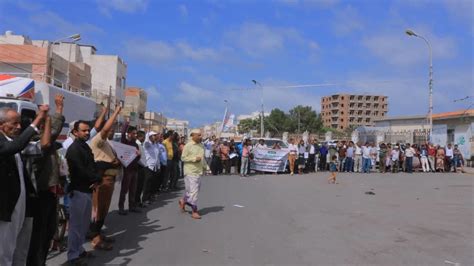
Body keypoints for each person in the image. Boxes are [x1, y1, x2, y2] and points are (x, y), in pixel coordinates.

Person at [0, 105, 49, 266]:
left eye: (20, 123)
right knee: (4, 252)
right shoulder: (6, 143)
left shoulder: (13, 141)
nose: (19, 127)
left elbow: (43, 145)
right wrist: (37, 121)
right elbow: (14, 147)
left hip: (21, 204)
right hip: (6, 206)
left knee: (18, 249)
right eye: (14, 123)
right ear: (1, 124)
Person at [27, 95, 66, 266]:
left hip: (50, 192)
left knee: (49, 231)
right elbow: (47, 141)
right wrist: (50, 116)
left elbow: (53, 131)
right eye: (44, 124)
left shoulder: (46, 139)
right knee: (39, 235)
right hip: (39, 195)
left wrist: (57, 110)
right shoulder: (33, 142)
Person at [66, 120, 102, 265]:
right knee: (76, 225)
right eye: (83, 130)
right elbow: (81, 170)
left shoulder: (85, 147)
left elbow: (92, 165)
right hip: (78, 190)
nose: (87, 133)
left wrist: (97, 178)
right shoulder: (74, 149)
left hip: (87, 190)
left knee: (84, 223)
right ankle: (73, 256)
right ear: (75, 132)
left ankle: (79, 249)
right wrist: (95, 178)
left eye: (88, 130)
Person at [87, 105, 121, 251]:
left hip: (110, 179)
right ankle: (95, 238)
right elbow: (105, 130)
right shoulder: (97, 140)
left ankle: (98, 233)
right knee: (98, 210)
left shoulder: (107, 143)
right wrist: (116, 113)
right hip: (102, 180)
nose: (111, 131)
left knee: (104, 209)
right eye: (110, 129)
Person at [178, 129, 208, 219]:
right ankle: (194, 211)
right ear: (193, 135)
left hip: (198, 171)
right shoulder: (188, 145)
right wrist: (194, 159)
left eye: (201, 135)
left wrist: (207, 168)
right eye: (198, 135)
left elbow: (202, 159)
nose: (200, 137)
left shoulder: (202, 146)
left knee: (192, 191)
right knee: (194, 192)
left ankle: (183, 201)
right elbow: (183, 158)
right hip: (190, 171)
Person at [119, 120, 141, 214]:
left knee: (133, 189)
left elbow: (137, 157)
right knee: (124, 189)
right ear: (129, 134)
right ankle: (121, 208)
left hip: (135, 170)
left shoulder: (136, 144)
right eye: (133, 133)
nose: (135, 135)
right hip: (127, 170)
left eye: (136, 133)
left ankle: (132, 206)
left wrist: (139, 154)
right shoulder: (125, 142)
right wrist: (126, 124)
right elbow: (122, 134)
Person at [142, 131, 160, 205]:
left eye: (156, 135)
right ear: (149, 136)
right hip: (149, 166)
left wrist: (158, 166)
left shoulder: (156, 145)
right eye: (154, 135)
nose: (155, 137)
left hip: (155, 167)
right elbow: (146, 141)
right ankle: (144, 199)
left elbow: (157, 157)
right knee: (147, 184)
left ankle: (149, 198)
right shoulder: (147, 144)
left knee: (152, 184)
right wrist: (148, 135)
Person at [135, 130, 147, 207]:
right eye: (143, 137)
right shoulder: (137, 145)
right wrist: (144, 165)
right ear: (140, 137)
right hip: (139, 167)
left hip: (142, 167)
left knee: (140, 186)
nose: (144, 138)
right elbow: (137, 158)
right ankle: (136, 202)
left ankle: (138, 202)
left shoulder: (141, 144)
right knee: (138, 186)